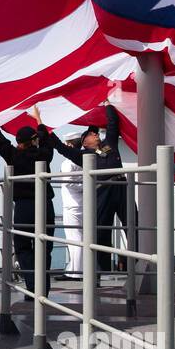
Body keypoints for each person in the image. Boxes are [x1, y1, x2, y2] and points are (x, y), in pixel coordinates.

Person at [44, 105, 126, 274]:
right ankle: (102, 270)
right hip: (103, 191)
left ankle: (138, 262)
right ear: (84, 142)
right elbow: (59, 146)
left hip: (122, 187)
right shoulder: (82, 156)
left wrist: (107, 104)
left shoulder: (109, 143)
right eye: (91, 134)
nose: (95, 134)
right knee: (102, 231)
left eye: (95, 133)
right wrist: (42, 125)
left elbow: (112, 123)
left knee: (133, 224)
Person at [0, 115, 55, 294]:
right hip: (46, 206)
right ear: (34, 140)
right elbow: (45, 138)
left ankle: (33, 287)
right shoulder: (45, 154)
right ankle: (44, 289)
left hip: (25, 207)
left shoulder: (14, 155)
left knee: (23, 248)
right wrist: (39, 120)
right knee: (45, 248)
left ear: (19, 143)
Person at [58, 139, 84, 280]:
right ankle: (79, 268)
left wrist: (82, 186)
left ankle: (75, 271)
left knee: (74, 238)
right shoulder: (84, 160)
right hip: (84, 203)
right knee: (82, 237)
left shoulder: (68, 163)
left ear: (70, 145)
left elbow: (68, 183)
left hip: (71, 204)